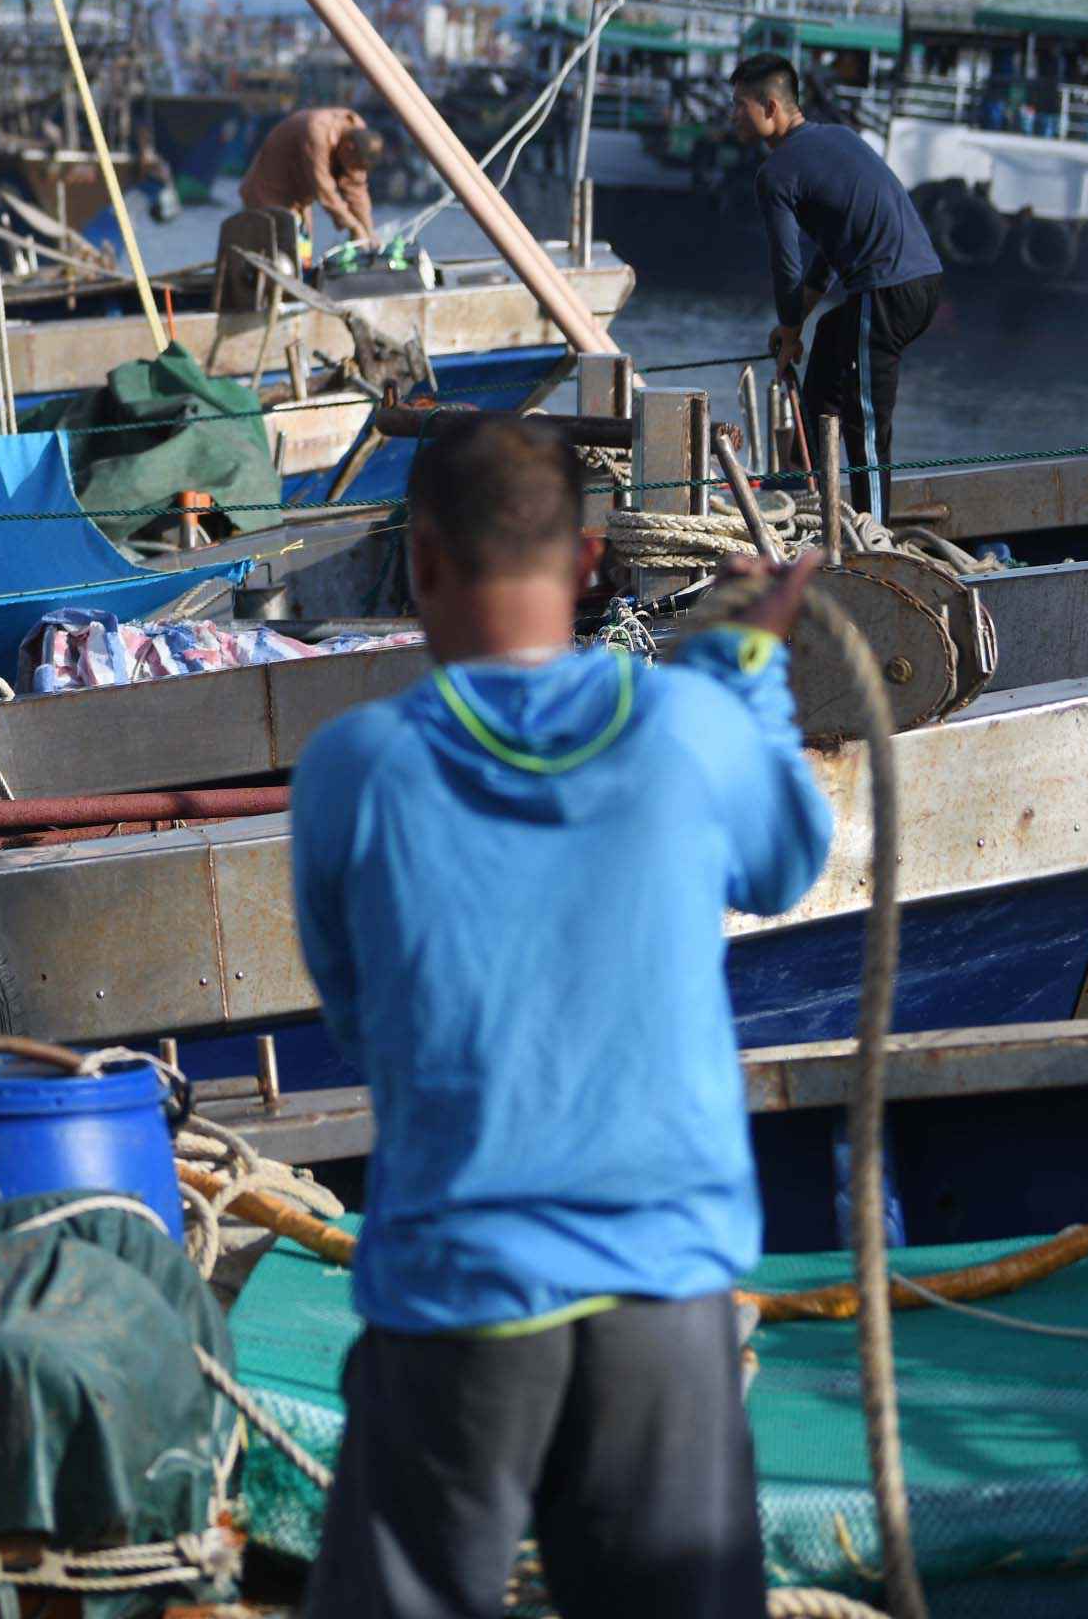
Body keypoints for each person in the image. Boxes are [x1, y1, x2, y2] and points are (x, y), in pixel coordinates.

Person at [287, 414, 832, 1619]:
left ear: (417, 557)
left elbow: (356, 1021)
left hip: (455, 1293)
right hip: (660, 1295)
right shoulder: (688, 727)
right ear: (589, 562)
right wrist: (749, 673)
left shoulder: (352, 767)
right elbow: (789, 856)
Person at [728, 52, 945, 514]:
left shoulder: (777, 173)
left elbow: (785, 264)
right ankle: (798, 497)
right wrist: (799, 324)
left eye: (739, 105)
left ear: (770, 107)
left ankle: (874, 535)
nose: (733, 116)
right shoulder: (840, 138)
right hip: (922, 283)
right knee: (828, 347)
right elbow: (832, 246)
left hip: (886, 292)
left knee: (864, 420)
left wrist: (788, 333)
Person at [238, 104, 382, 254]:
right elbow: (323, 189)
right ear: (348, 147)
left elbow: (356, 188)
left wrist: (368, 230)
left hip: (299, 198)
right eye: (353, 165)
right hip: (269, 191)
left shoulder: (357, 129)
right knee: (277, 255)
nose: (351, 171)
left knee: (302, 254)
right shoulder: (317, 132)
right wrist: (353, 226)